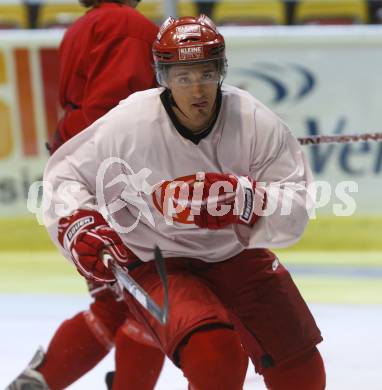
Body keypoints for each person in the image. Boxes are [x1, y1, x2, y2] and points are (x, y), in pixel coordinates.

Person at [41, 14, 326, 389]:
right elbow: (64, 176)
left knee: (302, 373)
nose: (197, 91)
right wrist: (78, 223)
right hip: (157, 260)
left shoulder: (255, 120)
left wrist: (249, 200)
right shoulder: (130, 123)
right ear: (164, 77)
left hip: (233, 255)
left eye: (206, 74)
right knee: (215, 357)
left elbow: (296, 208)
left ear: (221, 71)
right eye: (184, 77)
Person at [6, 0, 165, 389]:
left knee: (112, 307)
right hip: (113, 188)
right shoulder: (126, 23)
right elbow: (115, 115)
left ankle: (40, 381)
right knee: (154, 304)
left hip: (81, 182)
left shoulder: (85, 25)